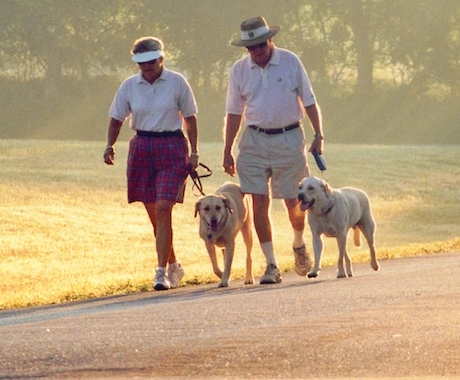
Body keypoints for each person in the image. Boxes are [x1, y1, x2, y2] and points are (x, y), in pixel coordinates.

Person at [223, 16, 324, 284]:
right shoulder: (239, 70)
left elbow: (310, 100)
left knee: (294, 200)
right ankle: (271, 265)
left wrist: (318, 134)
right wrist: (227, 149)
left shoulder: (290, 61)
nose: (258, 51)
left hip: (289, 137)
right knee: (258, 201)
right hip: (254, 139)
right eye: (252, 47)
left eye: (261, 45)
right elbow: (234, 112)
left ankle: (299, 242)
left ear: (271, 41)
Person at [104, 36, 200, 291]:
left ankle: (161, 273)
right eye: (141, 62)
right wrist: (110, 145)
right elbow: (117, 118)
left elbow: (190, 118)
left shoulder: (177, 82)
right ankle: (174, 264)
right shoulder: (129, 86)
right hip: (142, 146)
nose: (146, 66)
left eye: (151, 61)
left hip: (171, 145)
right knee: (154, 214)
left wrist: (194, 152)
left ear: (161, 58)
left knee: (163, 208)